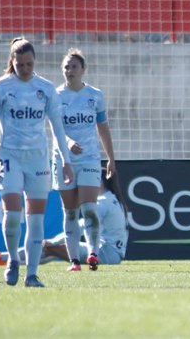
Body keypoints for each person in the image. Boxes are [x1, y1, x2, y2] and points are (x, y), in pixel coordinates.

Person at [0, 37, 74, 288]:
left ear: (35, 62)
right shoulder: (0, 87)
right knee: (13, 215)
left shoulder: (45, 89)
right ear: (12, 62)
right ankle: (12, 259)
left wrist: (66, 160)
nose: (25, 69)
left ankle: (32, 274)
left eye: (29, 64)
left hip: (38, 160)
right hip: (9, 157)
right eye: (20, 64)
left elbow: (57, 127)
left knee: (36, 220)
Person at [0, 168, 129, 267]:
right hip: (111, 253)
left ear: (100, 182)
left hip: (107, 254)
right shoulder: (112, 199)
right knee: (51, 249)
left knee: (49, 247)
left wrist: (55, 241)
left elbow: (81, 226)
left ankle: (4, 259)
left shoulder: (104, 202)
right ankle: (5, 259)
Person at [53, 48, 117, 272]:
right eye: (66, 67)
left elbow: (103, 128)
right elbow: (55, 128)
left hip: (90, 159)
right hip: (64, 161)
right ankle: (74, 261)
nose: (69, 70)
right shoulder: (56, 96)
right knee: (70, 211)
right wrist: (68, 143)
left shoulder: (95, 96)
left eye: (73, 67)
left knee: (89, 208)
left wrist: (110, 158)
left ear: (83, 70)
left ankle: (93, 253)